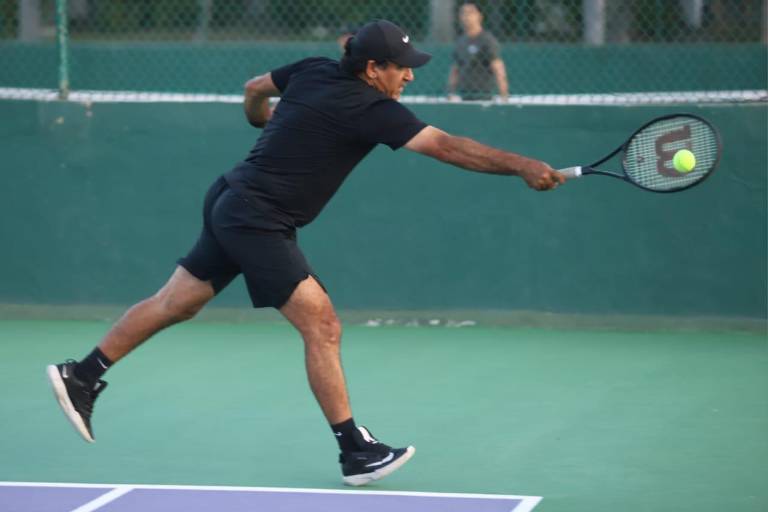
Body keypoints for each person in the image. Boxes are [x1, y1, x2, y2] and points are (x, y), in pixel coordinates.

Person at [46, 19, 564, 487]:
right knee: (323, 324)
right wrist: (521, 165)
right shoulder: (372, 109)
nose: (408, 76)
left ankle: (83, 374)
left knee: (176, 302)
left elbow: (253, 91)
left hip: (231, 197)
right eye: (400, 68)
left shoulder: (313, 70)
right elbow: (449, 147)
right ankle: (355, 452)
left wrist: (260, 120)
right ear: (372, 68)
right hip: (257, 218)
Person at [447, 2, 509, 101]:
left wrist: (504, 96)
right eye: (463, 13)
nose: (466, 16)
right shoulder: (460, 42)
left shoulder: (487, 40)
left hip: (485, 97)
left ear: (480, 16)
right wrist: (450, 92)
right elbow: (455, 69)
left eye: (471, 12)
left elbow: (498, 68)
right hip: (465, 96)